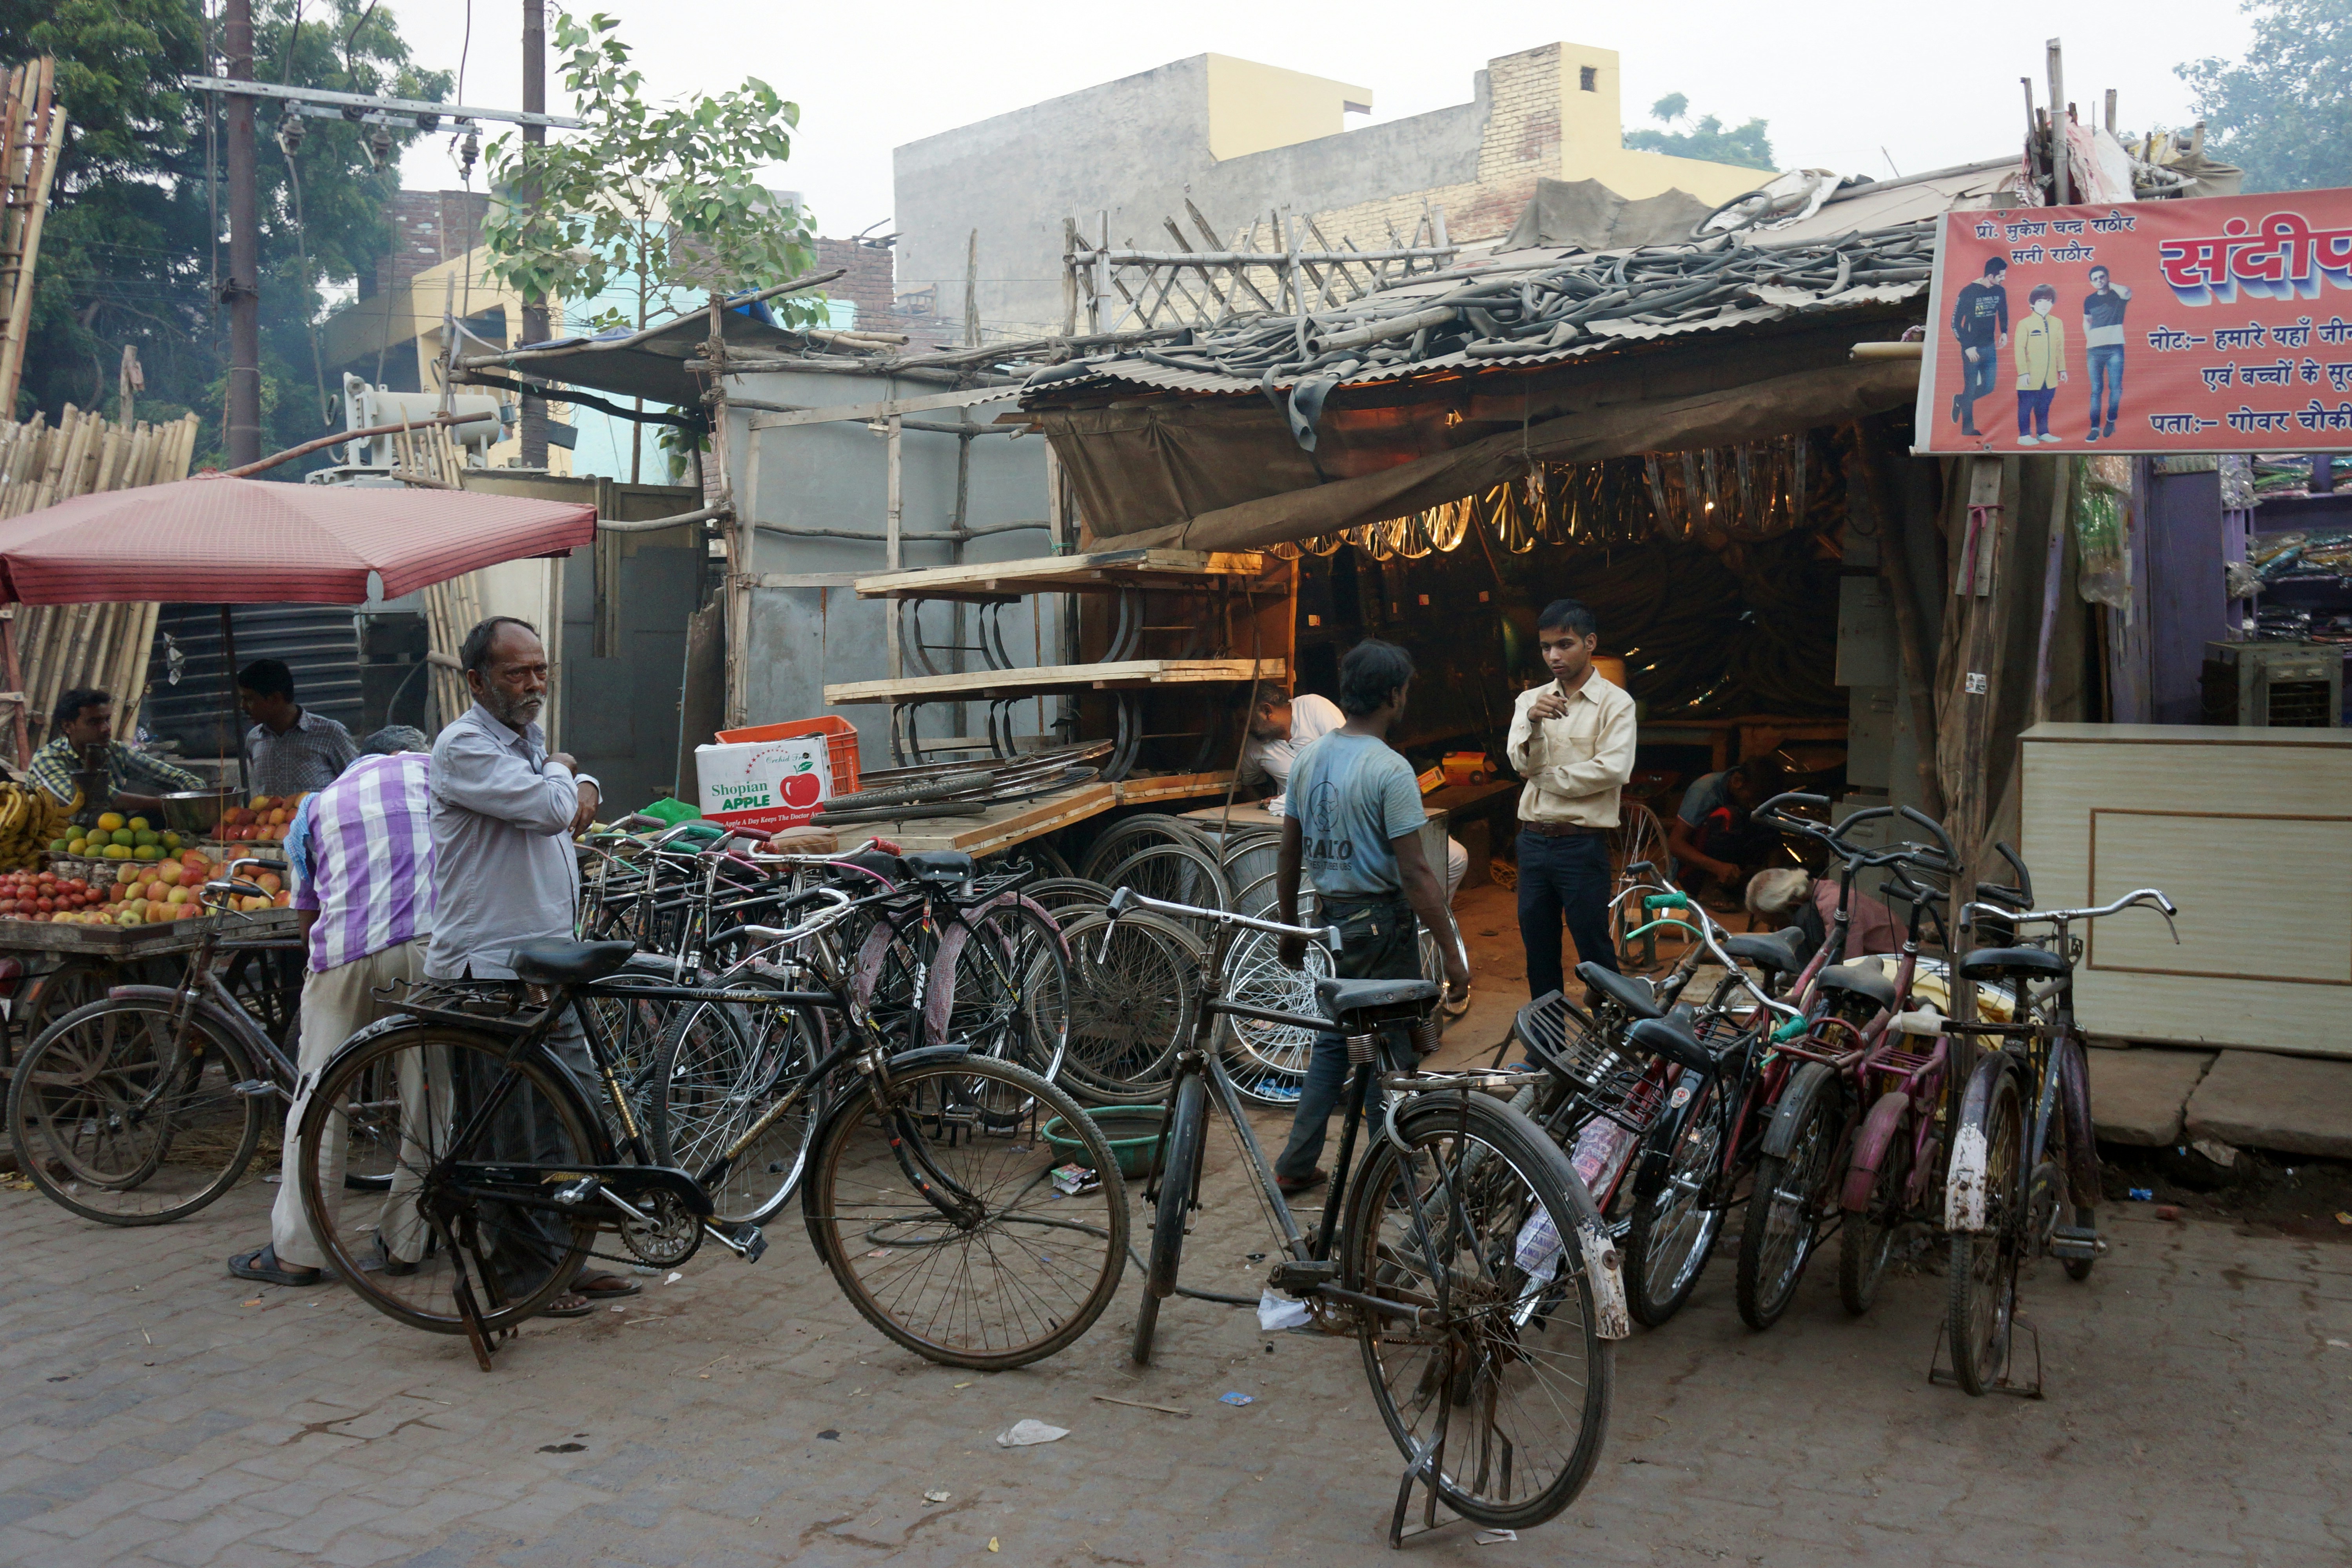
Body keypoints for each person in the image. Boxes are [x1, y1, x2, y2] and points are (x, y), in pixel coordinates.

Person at [426, 615, 636, 1316]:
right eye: (519, 673)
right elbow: (554, 808)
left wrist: (580, 778)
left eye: (541, 669)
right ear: (478, 680)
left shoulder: (524, 740)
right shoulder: (463, 747)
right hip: (490, 968)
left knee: (573, 1115)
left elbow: (569, 791)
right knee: (513, 1132)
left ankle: (564, 1259)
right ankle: (523, 1275)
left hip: (547, 960)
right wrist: (570, 776)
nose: (536, 683)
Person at [228, 726, 436, 1288]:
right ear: (411, 752)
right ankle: (407, 1243)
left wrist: (327, 969)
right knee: (430, 1103)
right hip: (430, 952)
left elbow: (306, 912)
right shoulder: (442, 780)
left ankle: (299, 1252)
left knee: (319, 1100)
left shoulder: (320, 804)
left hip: (345, 951)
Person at [1270, 640, 1468, 1199]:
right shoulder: (1390, 769)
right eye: (1405, 688)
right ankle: (1405, 1179)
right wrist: (1454, 956)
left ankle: (1296, 1163)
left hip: (1332, 921)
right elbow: (1418, 875)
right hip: (1381, 925)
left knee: (1337, 1043)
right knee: (1394, 1048)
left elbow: (1290, 853)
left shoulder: (1309, 758)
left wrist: (1292, 930)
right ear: (1393, 695)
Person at [1506, 599, 1636, 1001]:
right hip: (1532, 843)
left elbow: (1613, 770)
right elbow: (1518, 761)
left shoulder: (1617, 704)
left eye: (1565, 644)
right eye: (1546, 647)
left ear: (1590, 642)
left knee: (1595, 951)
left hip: (1581, 844)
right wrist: (1535, 723)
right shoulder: (1531, 702)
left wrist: (1547, 779)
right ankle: (1544, 1048)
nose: (1554, 656)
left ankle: (1612, 1049)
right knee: (1539, 951)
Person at [1247, 687, 1470, 903]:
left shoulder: (1313, 707)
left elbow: (1349, 761)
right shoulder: (1255, 745)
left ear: (1267, 711)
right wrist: (1275, 802)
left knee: (1454, 858)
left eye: (1246, 720)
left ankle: (1422, 931)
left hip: (1356, 808)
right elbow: (1247, 782)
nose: (1244, 728)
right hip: (1315, 829)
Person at [25, 687, 203, 816]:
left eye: (108, 720)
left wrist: (199, 798)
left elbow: (178, 777)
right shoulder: (48, 759)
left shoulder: (114, 750)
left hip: (112, 839)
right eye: (94, 722)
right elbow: (92, 799)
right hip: (61, 842)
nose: (106, 729)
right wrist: (165, 805)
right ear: (67, 726)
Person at [1668, 755, 1791, 907]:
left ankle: (1739, 886)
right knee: (1728, 815)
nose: (1754, 805)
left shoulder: (1756, 800)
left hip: (1735, 871)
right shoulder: (1705, 790)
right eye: (1753, 800)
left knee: (1763, 818)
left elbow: (1773, 840)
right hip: (1694, 873)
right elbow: (1675, 844)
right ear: (1737, 782)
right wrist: (1717, 867)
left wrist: (1775, 881)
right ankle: (1711, 888)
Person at [238, 658, 358, 797]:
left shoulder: (331, 733)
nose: (243, 706)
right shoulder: (254, 739)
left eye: (250, 699)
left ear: (276, 699)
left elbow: (358, 784)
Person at [1746, 866, 1903, 968]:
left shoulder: (1832, 906)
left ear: (1791, 906)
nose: (1778, 930)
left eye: (1775, 924)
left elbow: (1847, 966)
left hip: (1892, 967)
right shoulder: (1820, 893)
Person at [1949, 256, 2010, 438]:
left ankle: (1960, 401)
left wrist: (2005, 332)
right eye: (2001, 276)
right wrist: (1968, 346)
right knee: (1970, 388)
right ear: (1991, 276)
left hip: (1989, 347)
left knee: (1989, 386)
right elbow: (1955, 323)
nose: (2003, 279)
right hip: (1972, 349)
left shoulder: (2000, 291)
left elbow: (2004, 312)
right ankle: (1968, 429)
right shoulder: (1969, 292)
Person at [2082, 266, 2132, 443]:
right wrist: (2091, 339)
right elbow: (2086, 321)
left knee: (2116, 388)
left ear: (2108, 277)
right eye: (2095, 279)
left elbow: (2127, 292)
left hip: (2115, 349)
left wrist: (2110, 285)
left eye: (2102, 277)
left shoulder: (2117, 296)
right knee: (2096, 391)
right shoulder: (2089, 300)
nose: (2099, 281)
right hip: (2095, 350)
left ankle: (2111, 420)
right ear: (2091, 282)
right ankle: (2095, 428)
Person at [2014, 282, 2067, 444]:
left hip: (2050, 375)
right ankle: (2024, 435)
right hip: (2030, 375)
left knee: (2044, 406)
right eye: (2040, 301)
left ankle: (2043, 433)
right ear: (2032, 304)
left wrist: (2062, 369)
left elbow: (2060, 349)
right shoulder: (2025, 324)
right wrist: (2023, 372)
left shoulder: (2057, 323)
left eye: (2048, 301)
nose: (2045, 305)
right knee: (2026, 406)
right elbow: (2019, 349)